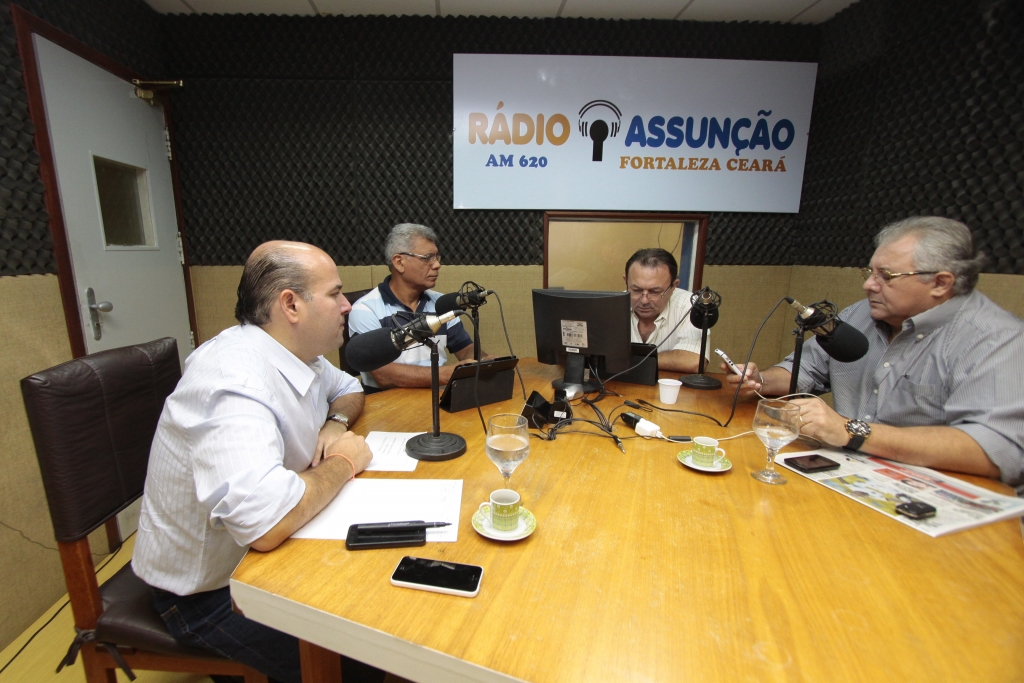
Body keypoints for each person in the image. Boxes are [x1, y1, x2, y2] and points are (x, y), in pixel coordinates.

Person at [132, 241, 384, 683]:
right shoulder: (232, 379)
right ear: (290, 304)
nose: (348, 305)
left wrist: (335, 423)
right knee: (361, 661)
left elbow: (349, 388)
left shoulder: (295, 351)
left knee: (377, 607)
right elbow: (265, 525)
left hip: (266, 558)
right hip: (207, 594)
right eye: (335, 293)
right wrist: (343, 463)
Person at [725, 217, 1024, 492]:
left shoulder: (995, 339)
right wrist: (762, 380)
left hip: (924, 494)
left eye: (887, 275)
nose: (869, 284)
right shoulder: (860, 315)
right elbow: (805, 370)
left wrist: (852, 433)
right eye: (870, 272)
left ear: (940, 283)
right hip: (841, 475)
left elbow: (997, 448)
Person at [348, 223, 476, 389]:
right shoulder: (365, 310)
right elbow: (383, 375)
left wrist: (477, 361)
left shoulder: (441, 303)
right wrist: (446, 374)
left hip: (436, 400)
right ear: (399, 262)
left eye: (436, 257)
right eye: (427, 258)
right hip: (387, 407)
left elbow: (465, 349)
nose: (437, 265)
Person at [624, 248, 706, 373]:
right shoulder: (611, 305)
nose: (644, 300)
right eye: (636, 290)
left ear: (674, 286)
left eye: (655, 292)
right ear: (626, 281)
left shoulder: (690, 305)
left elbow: (695, 361)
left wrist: (630, 360)